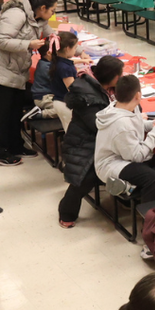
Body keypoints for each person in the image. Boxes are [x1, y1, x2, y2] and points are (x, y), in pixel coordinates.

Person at [0, 0, 57, 166]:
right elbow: (1, 41)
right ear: (43, 8)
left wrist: (77, 50)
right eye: (52, 10)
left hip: (15, 69)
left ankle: (15, 146)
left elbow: (53, 37)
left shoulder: (39, 18)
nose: (54, 14)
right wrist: (29, 44)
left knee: (15, 109)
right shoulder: (16, 14)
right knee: (2, 112)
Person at [94, 74, 155, 223]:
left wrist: (152, 125)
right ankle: (150, 224)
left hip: (126, 153)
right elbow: (137, 156)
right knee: (152, 178)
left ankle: (131, 187)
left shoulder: (122, 107)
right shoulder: (121, 124)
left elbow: (137, 124)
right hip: (112, 163)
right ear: (138, 95)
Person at [57, 55, 124, 228]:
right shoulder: (89, 98)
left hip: (93, 139)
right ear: (113, 77)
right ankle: (66, 213)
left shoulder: (99, 88)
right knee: (84, 178)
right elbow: (97, 125)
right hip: (83, 144)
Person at [48, 30, 79, 101]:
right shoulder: (65, 68)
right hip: (64, 102)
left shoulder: (56, 61)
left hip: (58, 99)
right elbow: (73, 91)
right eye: (75, 48)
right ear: (67, 49)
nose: (75, 50)